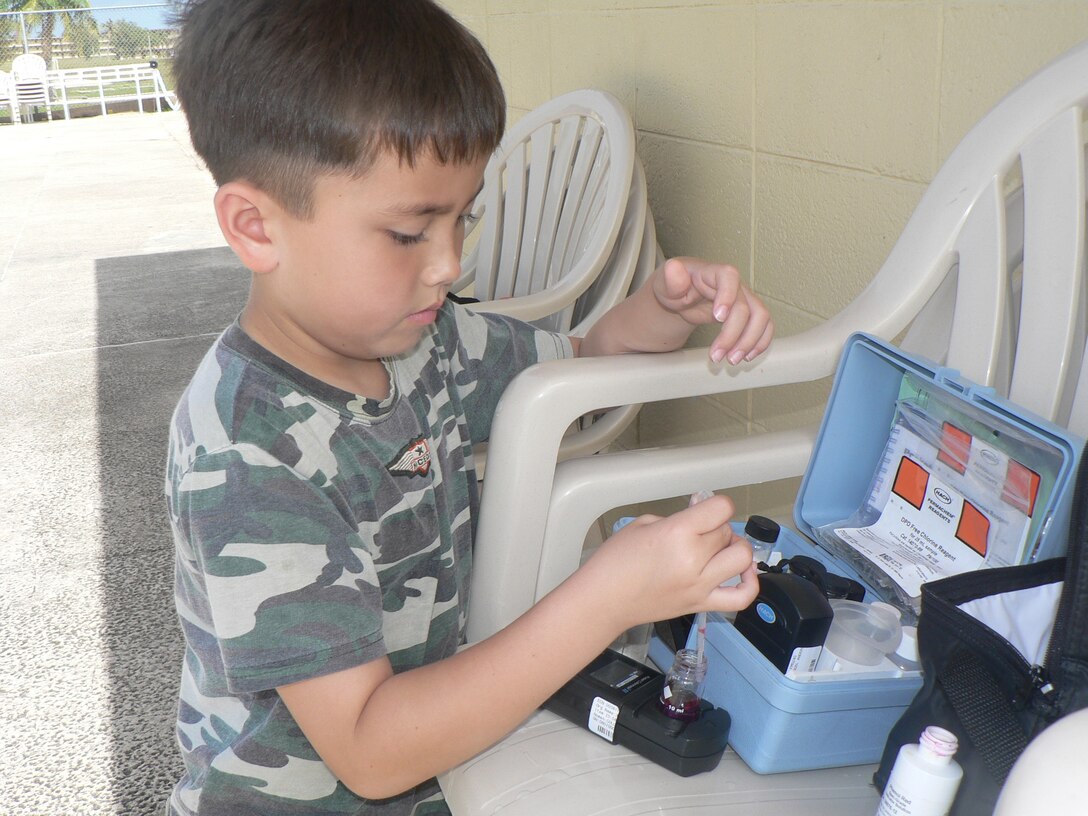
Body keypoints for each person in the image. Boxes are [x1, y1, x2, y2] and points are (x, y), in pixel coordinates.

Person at [164, 1, 773, 814]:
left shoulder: (425, 340)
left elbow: (578, 371)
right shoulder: (247, 449)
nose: (449, 262)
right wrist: (608, 599)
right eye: (410, 232)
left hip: (440, 765)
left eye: (463, 217)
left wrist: (661, 312)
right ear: (256, 226)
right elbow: (371, 753)